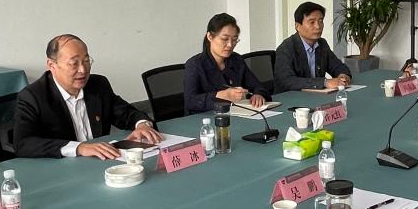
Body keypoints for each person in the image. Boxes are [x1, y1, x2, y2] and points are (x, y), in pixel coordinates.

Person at [14, 34, 162, 160]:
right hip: (63, 170)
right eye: (74, 63)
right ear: (52, 65)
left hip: (101, 163)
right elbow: (23, 144)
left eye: (86, 61)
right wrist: (79, 148)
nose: (83, 70)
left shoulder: (98, 84)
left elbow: (126, 113)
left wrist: (142, 124)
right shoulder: (33, 96)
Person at [184, 13, 270, 114]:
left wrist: (258, 95)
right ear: (210, 36)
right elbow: (190, 101)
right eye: (224, 39)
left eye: (234, 40)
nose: (230, 45)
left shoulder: (237, 60)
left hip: (237, 115)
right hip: (205, 118)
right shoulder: (195, 64)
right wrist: (222, 95)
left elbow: (257, 86)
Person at [274, 1, 352, 93]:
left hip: (315, 96)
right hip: (290, 98)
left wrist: (343, 76)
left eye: (321, 21)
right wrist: (324, 82)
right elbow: (286, 81)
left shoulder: (322, 44)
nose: (318, 26)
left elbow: (338, 66)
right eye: (312, 22)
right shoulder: (286, 48)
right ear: (297, 26)